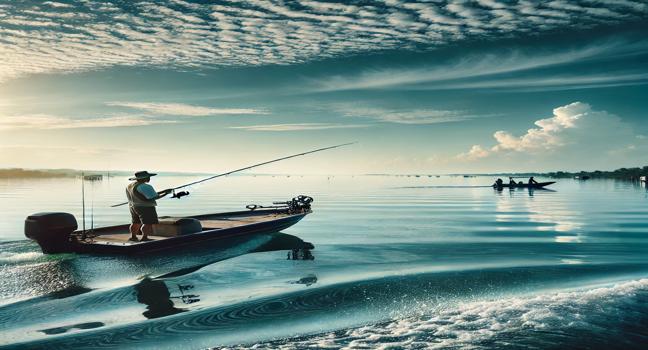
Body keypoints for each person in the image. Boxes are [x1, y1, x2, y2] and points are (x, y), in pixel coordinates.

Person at [126, 171, 172, 242]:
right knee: (147, 223)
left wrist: (164, 191)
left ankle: (133, 237)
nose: (149, 178)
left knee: (135, 222)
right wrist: (166, 193)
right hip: (146, 207)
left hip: (133, 207)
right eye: (148, 177)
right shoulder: (146, 186)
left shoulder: (130, 186)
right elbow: (154, 197)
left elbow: (146, 194)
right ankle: (144, 237)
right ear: (145, 178)